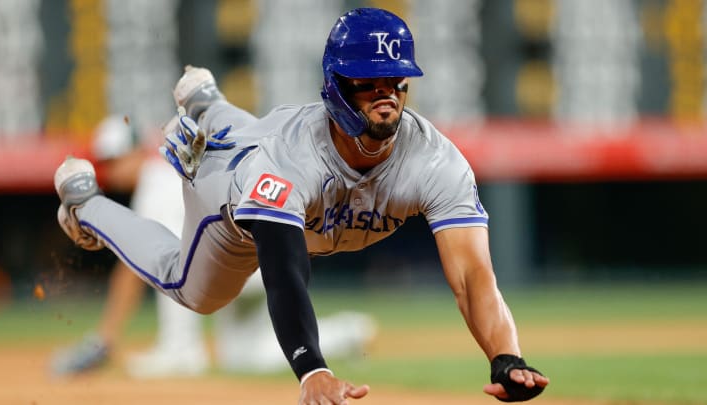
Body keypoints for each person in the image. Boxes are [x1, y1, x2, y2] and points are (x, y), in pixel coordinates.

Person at [53, 7, 549, 404]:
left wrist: (505, 356)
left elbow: (472, 276)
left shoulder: (435, 161)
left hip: (270, 141)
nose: (386, 96)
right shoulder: (287, 165)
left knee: (249, 129)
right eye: (366, 83)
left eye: (395, 82)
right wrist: (312, 367)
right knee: (193, 290)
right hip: (230, 196)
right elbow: (285, 271)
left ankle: (205, 100)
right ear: (335, 84)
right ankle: (84, 203)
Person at [51, 117, 376, 378]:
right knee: (243, 356)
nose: (111, 170)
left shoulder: (156, 182)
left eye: (115, 160)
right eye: (106, 162)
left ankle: (180, 351)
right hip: (262, 260)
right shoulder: (166, 175)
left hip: (238, 263)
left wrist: (105, 336)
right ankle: (348, 332)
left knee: (171, 265)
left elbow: (134, 268)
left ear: (137, 153)